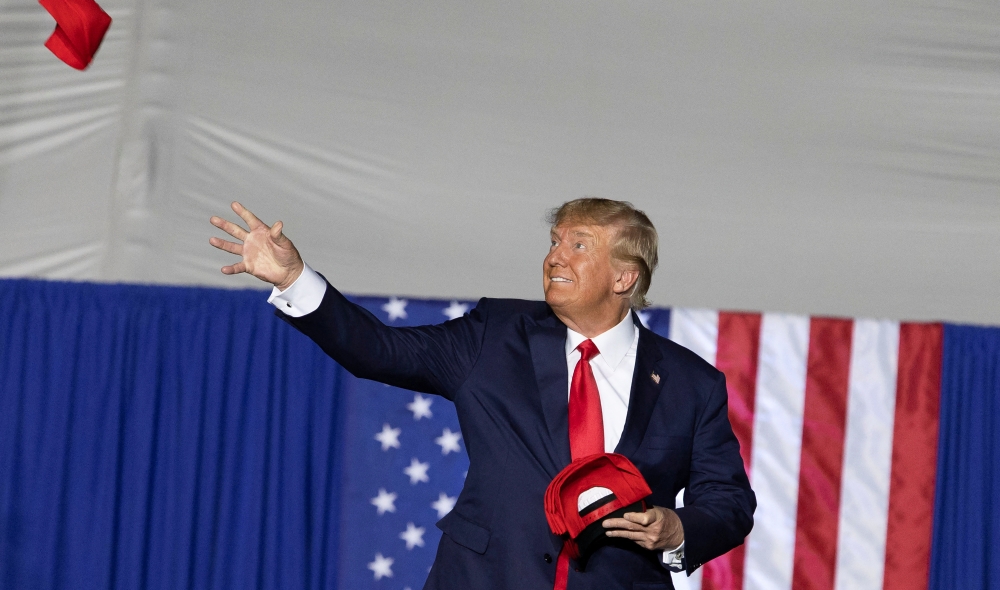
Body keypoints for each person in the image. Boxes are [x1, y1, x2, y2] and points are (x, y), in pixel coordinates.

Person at [209, 198, 754, 590]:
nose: (555, 257)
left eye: (578, 245)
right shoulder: (494, 335)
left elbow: (729, 503)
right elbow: (376, 350)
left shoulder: (690, 383)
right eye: (554, 241)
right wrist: (294, 278)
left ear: (623, 278)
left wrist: (677, 528)